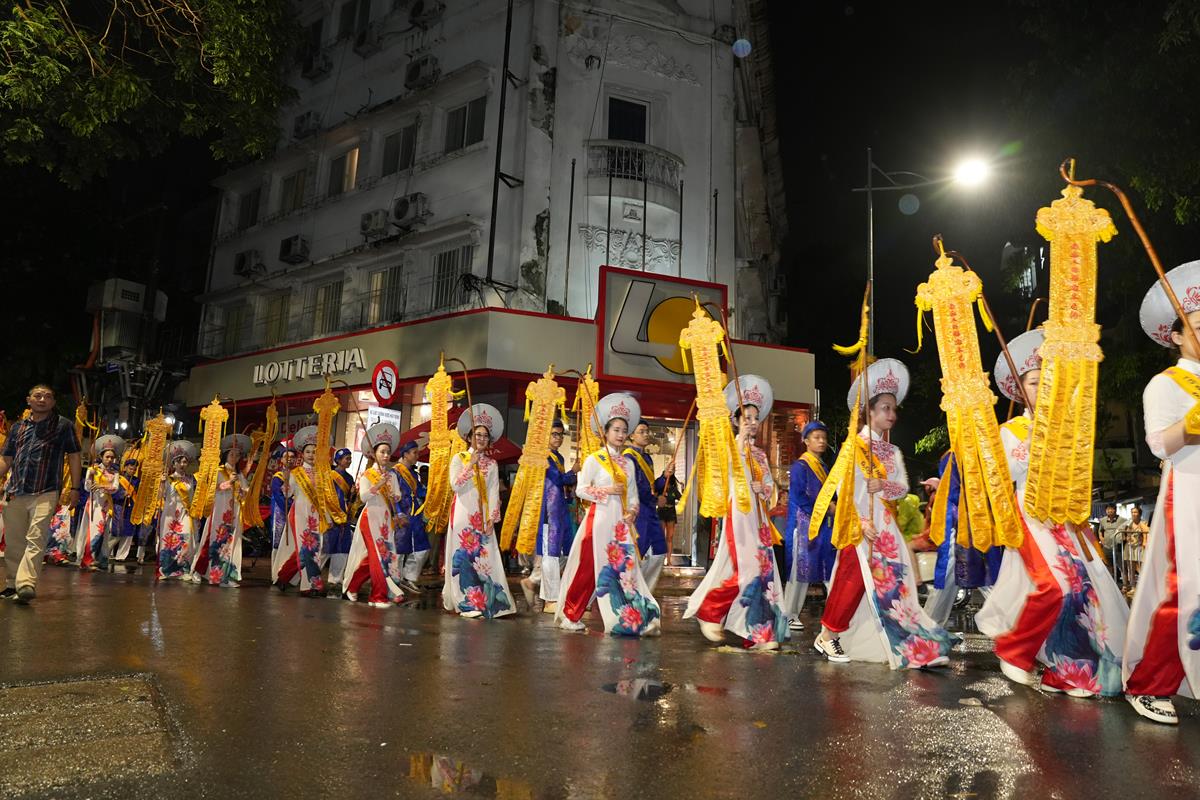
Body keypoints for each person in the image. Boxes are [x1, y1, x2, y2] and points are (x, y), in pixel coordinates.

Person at [975, 329, 1128, 697]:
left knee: (1081, 589)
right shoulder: (1010, 430)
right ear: (1019, 390)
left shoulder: (1063, 429)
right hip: (1029, 513)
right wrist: (1035, 445)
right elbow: (1004, 474)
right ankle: (1015, 648)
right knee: (1054, 585)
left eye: (1046, 381)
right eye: (1033, 382)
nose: (1042, 387)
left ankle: (1068, 671)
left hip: (1062, 516)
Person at [812, 359, 956, 668]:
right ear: (870, 412)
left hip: (887, 527)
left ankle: (908, 643)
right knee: (852, 579)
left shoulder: (893, 452)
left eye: (893, 409)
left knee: (895, 585)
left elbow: (903, 488)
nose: (891, 414)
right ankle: (827, 634)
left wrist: (883, 485)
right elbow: (843, 490)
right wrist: (861, 522)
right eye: (885, 408)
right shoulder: (853, 447)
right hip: (860, 523)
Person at [1123, 263, 1200, 724]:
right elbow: (1158, 443)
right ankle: (1149, 682)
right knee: (1184, 589)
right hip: (1189, 493)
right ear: (1175, 336)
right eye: (1199, 325)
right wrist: (1191, 424)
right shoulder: (1166, 384)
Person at [684, 375, 787, 650]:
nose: (752, 422)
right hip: (738, 514)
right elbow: (719, 478)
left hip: (759, 518)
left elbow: (770, 488)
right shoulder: (728, 449)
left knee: (763, 571)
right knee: (748, 570)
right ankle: (710, 611)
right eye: (747, 418)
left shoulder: (760, 455)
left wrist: (763, 488)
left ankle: (757, 634)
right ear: (736, 420)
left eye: (755, 418)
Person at [556, 393, 661, 636]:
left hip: (620, 524)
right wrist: (607, 491)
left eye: (624, 430)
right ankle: (570, 614)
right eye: (616, 430)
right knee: (588, 568)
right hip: (599, 520)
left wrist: (632, 511)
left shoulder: (628, 463)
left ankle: (631, 617)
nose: (621, 434)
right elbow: (581, 490)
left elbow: (633, 496)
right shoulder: (594, 460)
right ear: (605, 432)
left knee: (625, 569)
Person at [0, 384, 82, 603]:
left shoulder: (63, 425)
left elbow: (74, 455)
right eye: (37, 396)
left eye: (47, 397)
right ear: (29, 400)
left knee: (35, 538)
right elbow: (6, 459)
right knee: (14, 542)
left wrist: (75, 488)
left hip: (46, 490)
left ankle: (26, 584)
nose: (42, 400)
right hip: (15, 491)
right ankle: (12, 583)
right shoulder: (17, 427)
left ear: (53, 402)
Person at [443, 404, 516, 619]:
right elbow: (455, 485)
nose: (482, 439)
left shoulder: (492, 464)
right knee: (463, 557)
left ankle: (487, 599)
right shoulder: (459, 458)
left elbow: (494, 492)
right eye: (478, 435)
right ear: (469, 437)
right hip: (463, 513)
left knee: (485, 557)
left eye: (485, 436)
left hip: (482, 516)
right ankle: (465, 602)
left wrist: (492, 518)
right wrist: (470, 465)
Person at [921, 450, 1004, 628]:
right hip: (966, 525)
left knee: (983, 577)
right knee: (979, 577)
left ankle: (1011, 628)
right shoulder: (956, 454)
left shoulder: (975, 451)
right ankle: (929, 630)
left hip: (970, 526)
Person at [781, 420, 836, 631]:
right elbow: (798, 496)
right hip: (803, 523)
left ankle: (834, 615)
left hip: (821, 525)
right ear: (806, 441)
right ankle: (788, 614)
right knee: (799, 570)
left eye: (824, 438)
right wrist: (825, 508)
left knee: (824, 566)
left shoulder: (823, 467)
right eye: (816, 438)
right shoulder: (800, 466)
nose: (821, 441)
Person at [343, 423, 405, 607]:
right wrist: (378, 485)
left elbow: (397, 495)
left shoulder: (392, 475)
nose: (386, 456)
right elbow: (363, 497)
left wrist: (394, 495)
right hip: (370, 518)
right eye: (382, 452)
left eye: (388, 452)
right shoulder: (367, 475)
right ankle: (377, 596)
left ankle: (353, 587)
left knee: (379, 555)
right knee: (378, 556)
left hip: (385, 520)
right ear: (374, 454)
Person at [520, 418, 576, 613]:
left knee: (566, 552)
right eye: (554, 434)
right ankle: (551, 599)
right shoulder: (542, 457)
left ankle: (533, 581)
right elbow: (556, 478)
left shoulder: (558, 457)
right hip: (547, 511)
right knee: (550, 554)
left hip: (560, 510)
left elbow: (562, 484)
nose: (558, 438)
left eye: (560, 435)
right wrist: (573, 473)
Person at [274, 426, 332, 596]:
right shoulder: (296, 473)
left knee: (310, 549)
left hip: (316, 515)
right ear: (302, 454)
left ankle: (284, 576)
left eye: (314, 452)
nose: (311, 455)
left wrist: (328, 517)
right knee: (307, 547)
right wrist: (286, 482)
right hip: (299, 513)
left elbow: (325, 498)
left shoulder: (322, 473)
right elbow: (287, 494)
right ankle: (309, 585)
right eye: (308, 452)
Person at [190, 434, 251, 587]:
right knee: (212, 540)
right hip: (219, 510)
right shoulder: (218, 471)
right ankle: (198, 570)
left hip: (234, 513)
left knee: (231, 543)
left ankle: (227, 576)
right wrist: (228, 483)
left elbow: (244, 493)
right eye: (232, 454)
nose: (234, 458)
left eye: (237, 455)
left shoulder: (239, 475)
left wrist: (242, 490)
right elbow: (210, 490)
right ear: (226, 455)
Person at [624, 421, 669, 592]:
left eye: (647, 431)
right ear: (631, 435)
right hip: (638, 512)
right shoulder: (628, 458)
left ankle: (644, 592)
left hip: (650, 511)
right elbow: (635, 487)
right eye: (641, 431)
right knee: (637, 552)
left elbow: (651, 486)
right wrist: (655, 500)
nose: (646, 434)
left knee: (659, 551)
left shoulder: (647, 458)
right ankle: (631, 591)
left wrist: (664, 477)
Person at [76, 435, 127, 572]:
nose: (110, 460)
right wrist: (90, 476)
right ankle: (87, 559)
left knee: (104, 533)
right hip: (94, 504)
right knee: (95, 531)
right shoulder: (93, 469)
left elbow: (115, 488)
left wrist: (102, 486)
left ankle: (102, 559)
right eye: (107, 457)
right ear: (101, 456)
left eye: (112, 457)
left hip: (107, 506)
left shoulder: (115, 473)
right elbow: (87, 488)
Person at [392, 440, 430, 596]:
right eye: (414, 453)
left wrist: (434, 491)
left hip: (415, 515)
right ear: (405, 454)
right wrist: (398, 513)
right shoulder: (394, 473)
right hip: (402, 514)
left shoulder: (414, 474)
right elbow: (392, 496)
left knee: (422, 548)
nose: (417, 456)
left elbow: (420, 491)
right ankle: (395, 581)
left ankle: (409, 577)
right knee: (400, 549)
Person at [157, 440, 198, 581]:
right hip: (170, 514)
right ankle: (166, 570)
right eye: (179, 462)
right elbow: (160, 496)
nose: (182, 464)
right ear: (173, 464)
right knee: (168, 541)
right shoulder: (168, 479)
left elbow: (193, 497)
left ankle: (184, 569)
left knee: (185, 539)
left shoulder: (191, 479)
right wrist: (162, 483)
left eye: (185, 462)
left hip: (185, 513)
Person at [326, 447, 355, 596]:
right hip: (331, 515)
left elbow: (350, 499)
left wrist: (353, 494)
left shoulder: (350, 478)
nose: (349, 461)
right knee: (326, 547)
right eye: (346, 458)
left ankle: (335, 579)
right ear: (338, 460)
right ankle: (312, 576)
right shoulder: (330, 475)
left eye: (350, 458)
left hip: (344, 517)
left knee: (342, 548)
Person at [112, 458, 140, 563]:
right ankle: (107, 552)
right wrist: (122, 494)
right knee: (116, 530)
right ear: (125, 468)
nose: (132, 471)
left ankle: (121, 555)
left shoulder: (137, 481)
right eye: (130, 469)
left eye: (134, 469)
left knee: (129, 531)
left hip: (131, 507)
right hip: (119, 507)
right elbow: (113, 492)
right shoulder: (119, 479)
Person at [654, 463, 682, 557]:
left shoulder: (674, 488)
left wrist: (683, 488)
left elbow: (681, 498)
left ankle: (669, 559)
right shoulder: (660, 486)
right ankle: (661, 559)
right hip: (661, 512)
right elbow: (654, 492)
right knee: (661, 536)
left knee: (670, 537)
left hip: (671, 513)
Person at [1121, 506, 1150, 591]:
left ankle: (1144, 586)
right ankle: (1133, 586)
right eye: (1132, 512)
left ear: (1139, 514)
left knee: (1142, 567)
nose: (1133, 514)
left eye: (1135, 512)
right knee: (1131, 568)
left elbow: (1147, 531)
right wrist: (1126, 536)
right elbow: (1123, 534)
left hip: (1140, 546)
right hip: (1130, 547)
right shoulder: (1128, 523)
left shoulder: (1143, 522)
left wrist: (1144, 540)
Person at [1096, 503, 1125, 582]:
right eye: (1108, 509)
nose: (1109, 511)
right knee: (1107, 564)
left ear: (1115, 510)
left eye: (1111, 509)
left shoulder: (1122, 520)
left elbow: (1126, 529)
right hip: (1107, 546)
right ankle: (1111, 581)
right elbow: (1100, 531)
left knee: (1121, 565)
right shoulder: (1102, 520)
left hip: (1118, 546)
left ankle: (1125, 583)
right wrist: (1101, 538)